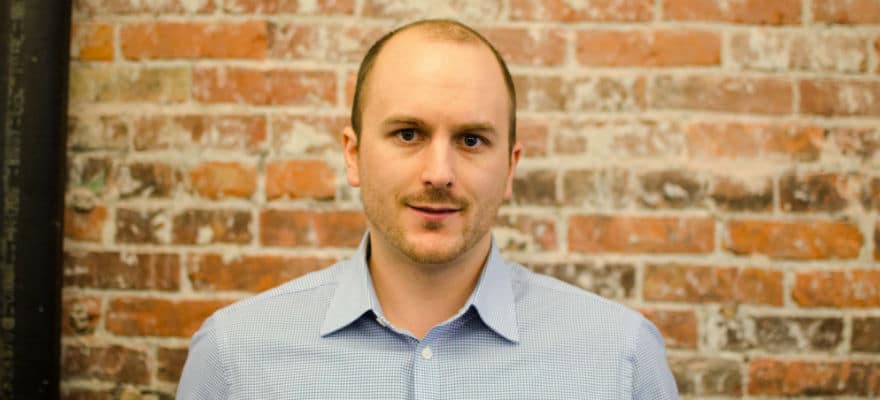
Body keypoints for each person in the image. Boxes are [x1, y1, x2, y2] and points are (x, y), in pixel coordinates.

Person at [177, 19, 678, 399]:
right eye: (408, 134)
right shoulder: (235, 357)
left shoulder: (621, 359)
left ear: (509, 167)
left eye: (471, 139)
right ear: (353, 154)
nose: (439, 172)